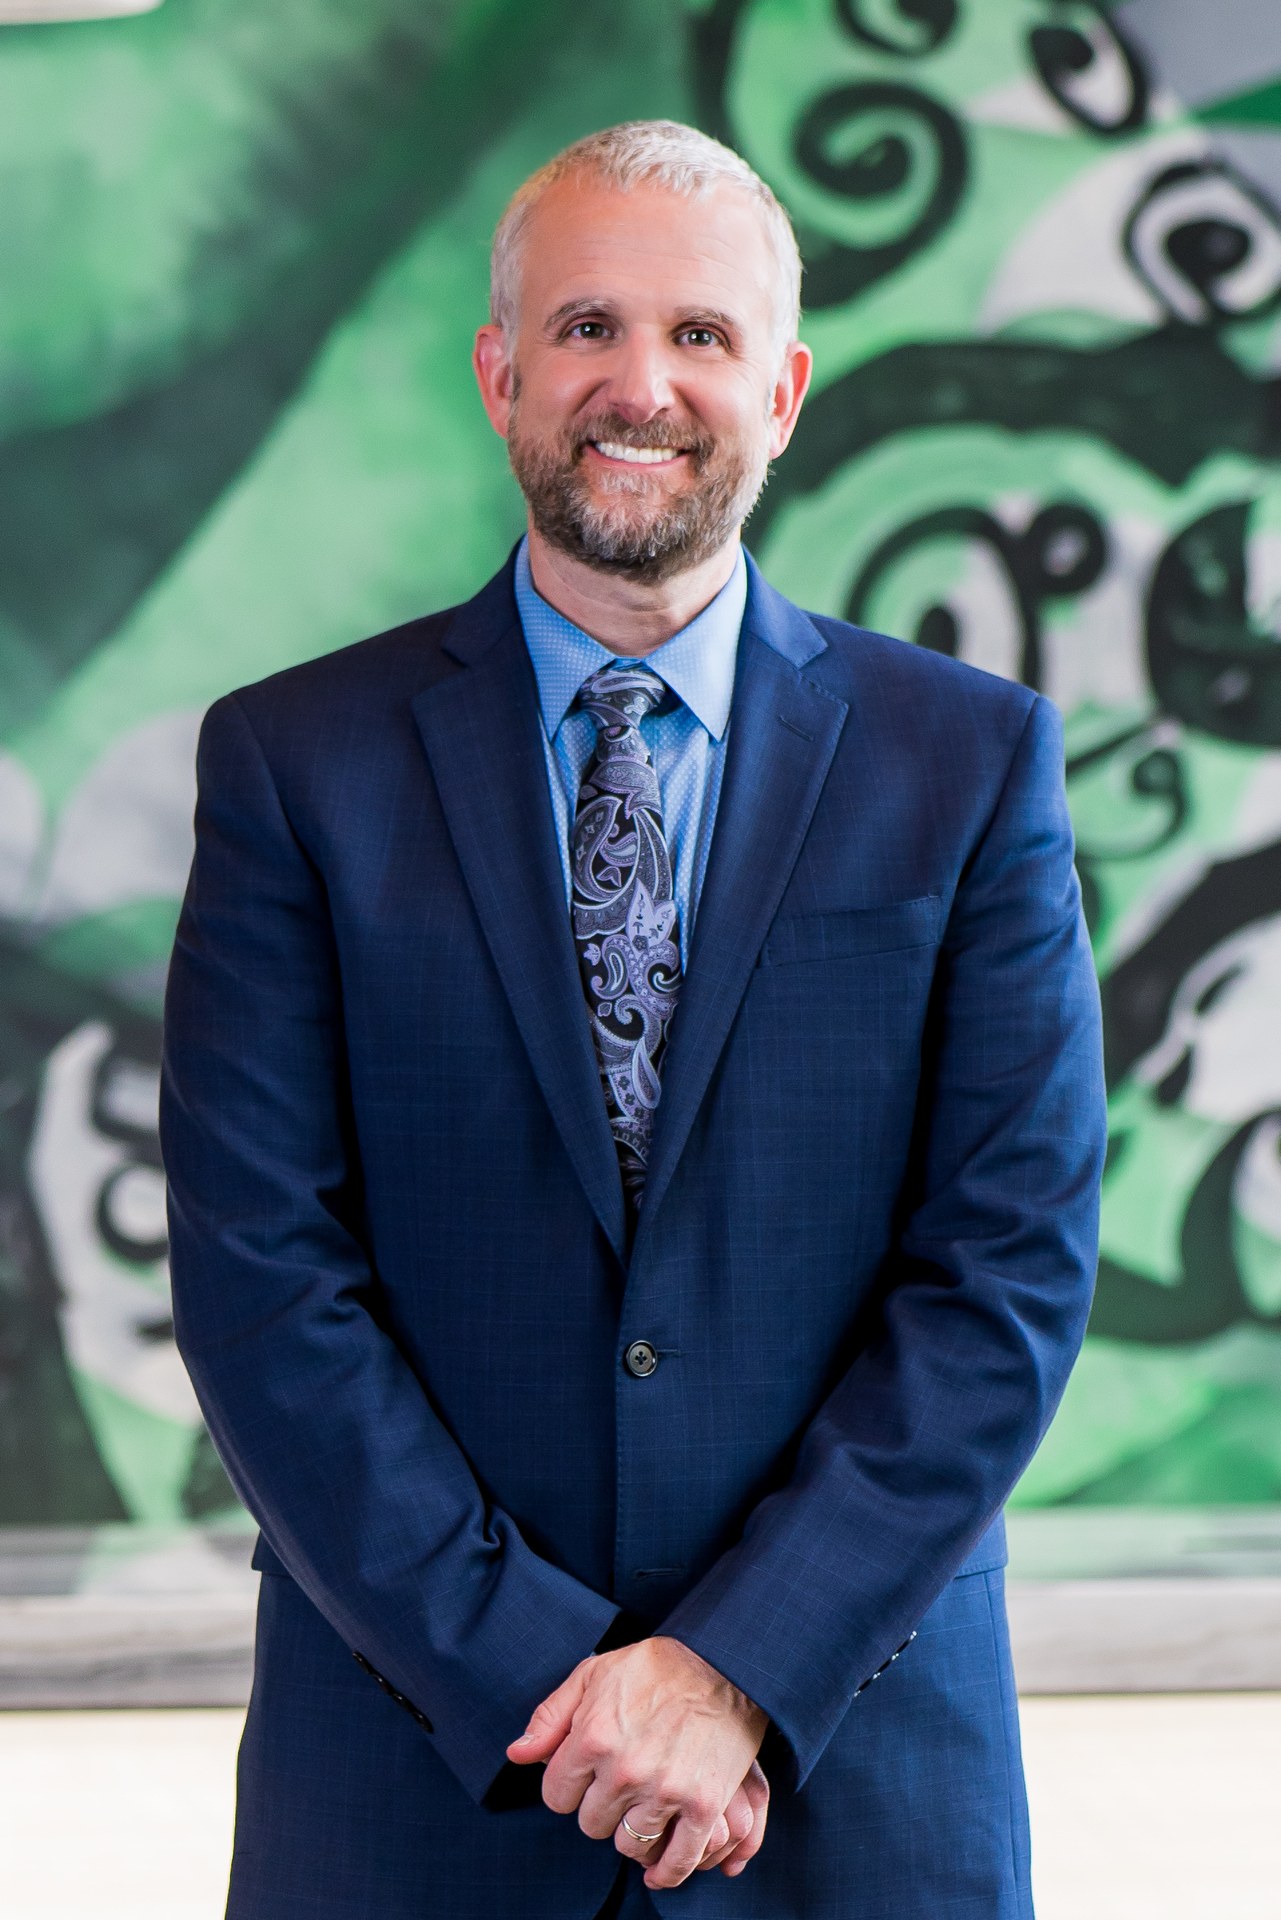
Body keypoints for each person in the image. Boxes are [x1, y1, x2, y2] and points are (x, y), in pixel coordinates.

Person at [160, 120, 1106, 1920]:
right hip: (425, 1783)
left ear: (785, 387)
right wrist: (551, 1683)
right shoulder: (292, 767)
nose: (642, 386)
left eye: (701, 336)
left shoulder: (971, 765)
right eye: (586, 327)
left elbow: (1005, 1269)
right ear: (501, 372)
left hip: (849, 1777)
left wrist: (729, 1671)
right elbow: (264, 1280)